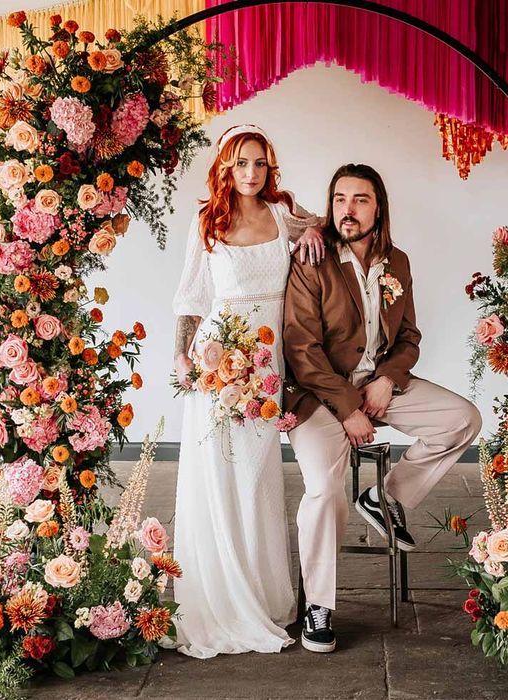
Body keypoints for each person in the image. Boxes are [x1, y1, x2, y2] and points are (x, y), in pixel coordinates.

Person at [283, 163, 482, 653]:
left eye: (361, 199)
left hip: (378, 386)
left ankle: (384, 496)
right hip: (319, 394)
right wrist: (350, 406)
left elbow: (409, 337)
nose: (348, 210)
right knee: (326, 489)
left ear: (379, 207)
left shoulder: (399, 261)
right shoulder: (313, 258)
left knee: (464, 419)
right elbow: (300, 349)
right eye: (341, 199)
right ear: (330, 206)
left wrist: (388, 380)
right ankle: (320, 605)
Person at [171, 125, 324, 658]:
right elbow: (191, 296)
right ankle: (220, 598)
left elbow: (331, 224)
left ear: (269, 165)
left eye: (259, 163)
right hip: (218, 353)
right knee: (216, 471)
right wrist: (180, 352)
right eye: (241, 164)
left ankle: (261, 596)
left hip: (267, 357)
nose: (251, 174)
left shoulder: (283, 211)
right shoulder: (207, 219)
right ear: (225, 167)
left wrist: (312, 232)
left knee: (257, 473)